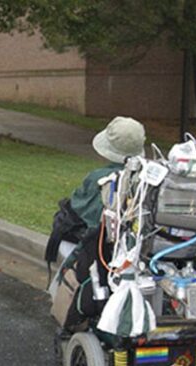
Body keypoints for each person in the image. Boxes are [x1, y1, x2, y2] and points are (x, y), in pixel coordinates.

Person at [61, 116, 146, 330]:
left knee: (64, 251)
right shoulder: (149, 179)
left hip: (101, 254)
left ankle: (70, 323)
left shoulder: (99, 179)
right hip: (139, 254)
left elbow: (81, 214)